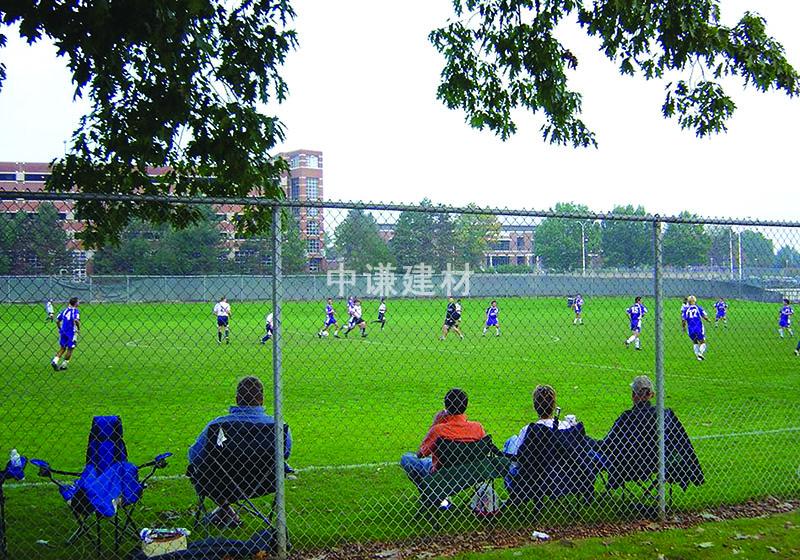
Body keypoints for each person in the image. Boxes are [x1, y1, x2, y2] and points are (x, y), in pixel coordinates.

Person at [189, 376, 293, 527]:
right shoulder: (278, 427)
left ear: (237, 399)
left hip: (219, 483)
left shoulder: (217, 425)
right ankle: (227, 512)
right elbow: (285, 454)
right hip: (265, 482)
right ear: (262, 399)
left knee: (197, 471)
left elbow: (194, 456)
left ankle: (225, 509)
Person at [599, 375, 703, 494]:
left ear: (633, 395)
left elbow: (608, 444)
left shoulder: (627, 417)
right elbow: (681, 442)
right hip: (660, 461)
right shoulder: (665, 415)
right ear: (651, 395)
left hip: (630, 465)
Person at [400, 388, 486, 489]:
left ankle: (428, 491)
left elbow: (421, 454)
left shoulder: (439, 430)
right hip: (469, 475)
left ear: (446, 406)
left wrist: (435, 423)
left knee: (407, 458)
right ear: (466, 406)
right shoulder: (477, 428)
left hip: (441, 476)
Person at [51, 297, 80, 371]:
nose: (79, 303)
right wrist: (78, 328)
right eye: (78, 302)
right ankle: (64, 365)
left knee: (63, 348)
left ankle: (55, 361)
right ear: (75, 303)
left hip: (63, 331)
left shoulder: (64, 310)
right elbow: (76, 320)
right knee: (70, 349)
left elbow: (57, 320)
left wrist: (60, 328)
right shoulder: (75, 311)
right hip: (71, 333)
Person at [681, 295, 709, 360]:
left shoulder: (685, 310)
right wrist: (708, 319)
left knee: (695, 341)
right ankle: (700, 353)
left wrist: (683, 327)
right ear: (695, 301)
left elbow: (683, 320)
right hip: (698, 327)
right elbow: (704, 316)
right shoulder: (698, 308)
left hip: (690, 329)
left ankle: (698, 357)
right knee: (702, 342)